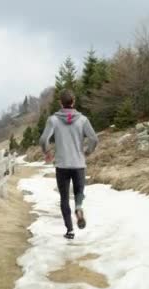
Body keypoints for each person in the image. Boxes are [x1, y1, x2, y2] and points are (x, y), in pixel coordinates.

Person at [39, 89, 98, 239]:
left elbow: (43, 139)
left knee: (64, 198)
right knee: (79, 192)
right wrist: (87, 151)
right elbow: (94, 139)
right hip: (79, 164)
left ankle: (70, 231)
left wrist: (47, 152)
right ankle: (78, 208)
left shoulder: (53, 120)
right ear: (73, 102)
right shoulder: (83, 119)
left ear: (60, 103)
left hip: (62, 165)